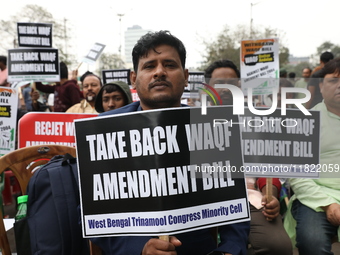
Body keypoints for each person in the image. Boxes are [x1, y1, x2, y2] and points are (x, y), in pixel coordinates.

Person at [95, 30, 250, 255]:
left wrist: (230, 250)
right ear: (133, 79)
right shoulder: (105, 131)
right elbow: (93, 213)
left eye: (169, 64)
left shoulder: (212, 129)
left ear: (186, 76)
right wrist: (139, 249)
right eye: (149, 66)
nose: (159, 72)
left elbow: (235, 206)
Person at [205, 59, 292, 255]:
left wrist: (270, 194)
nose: (226, 89)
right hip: (205, 204)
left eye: (232, 83)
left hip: (249, 199)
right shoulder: (191, 119)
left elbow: (267, 168)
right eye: (220, 84)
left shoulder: (256, 120)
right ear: (208, 87)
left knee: (279, 246)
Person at [284, 57, 340, 255]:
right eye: (333, 81)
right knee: (312, 243)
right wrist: (328, 204)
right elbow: (297, 175)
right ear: (321, 87)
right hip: (315, 198)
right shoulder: (306, 121)